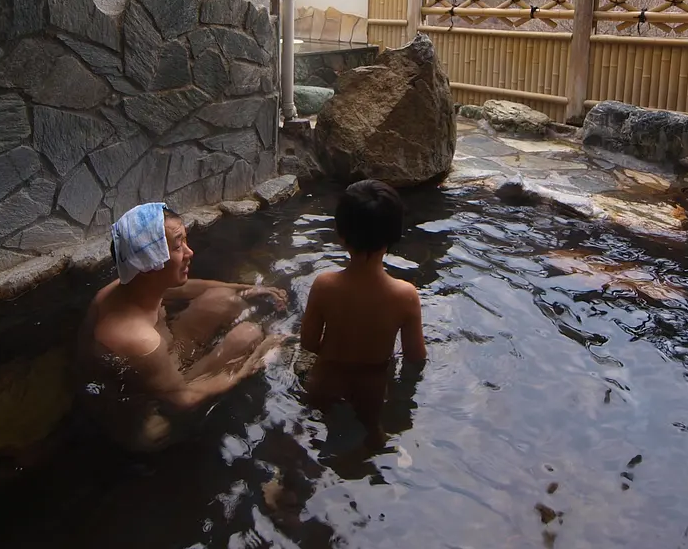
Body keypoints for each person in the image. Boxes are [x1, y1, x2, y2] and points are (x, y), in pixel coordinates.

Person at [76, 203, 287, 451]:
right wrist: (253, 362)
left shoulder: (127, 285)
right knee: (248, 335)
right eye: (178, 246)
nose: (190, 252)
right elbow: (184, 399)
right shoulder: (139, 340)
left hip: (164, 359)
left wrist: (244, 288)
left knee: (223, 300)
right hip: (149, 403)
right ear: (151, 263)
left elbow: (183, 287)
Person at [300, 180, 427, 448]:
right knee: (373, 438)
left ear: (340, 233)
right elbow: (416, 358)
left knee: (313, 434)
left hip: (326, 382)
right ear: (394, 235)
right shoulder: (405, 296)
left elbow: (308, 344)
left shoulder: (324, 285)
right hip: (373, 388)